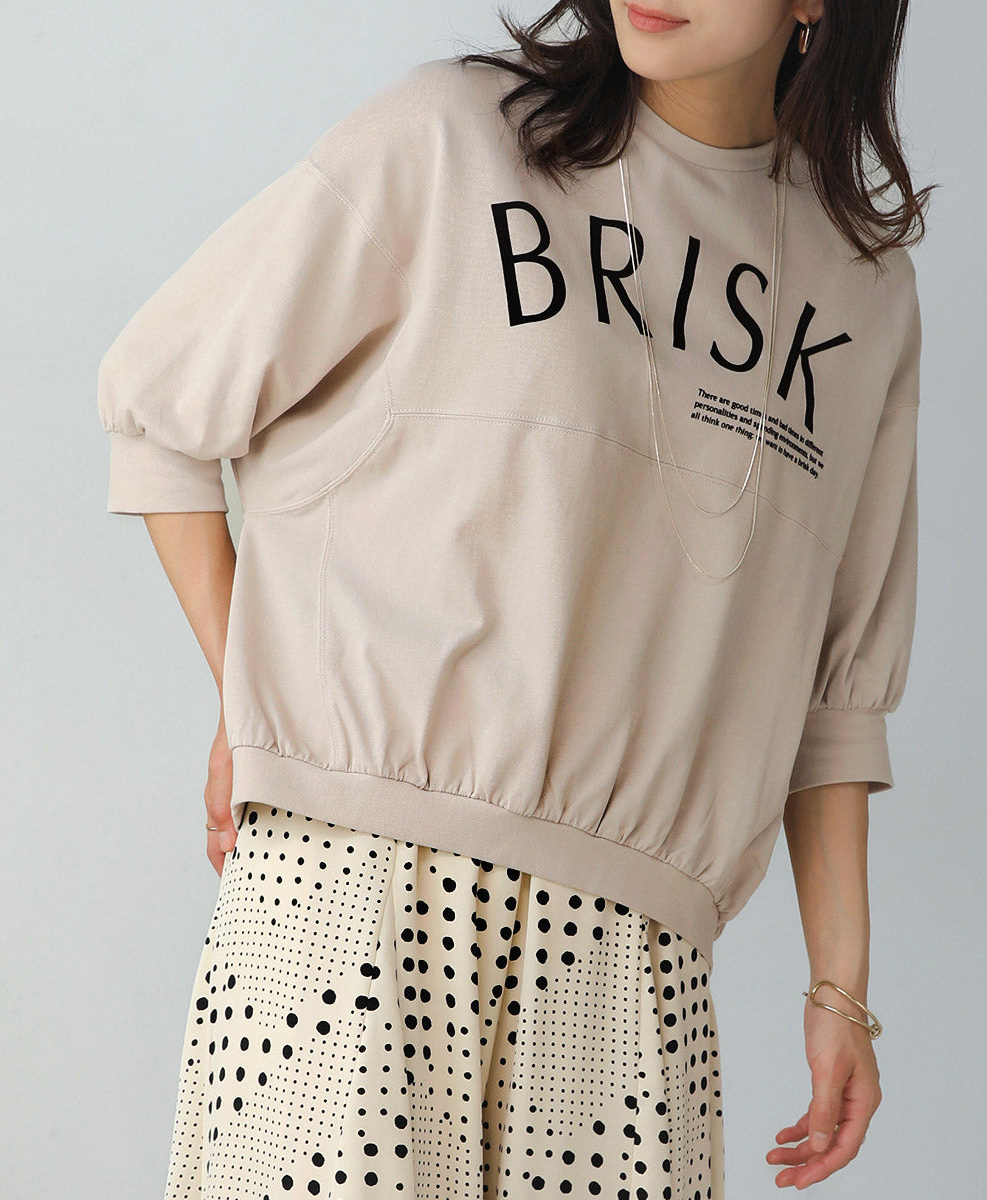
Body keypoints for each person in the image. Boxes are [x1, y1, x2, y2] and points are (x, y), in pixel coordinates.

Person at [97, 1, 933, 1196]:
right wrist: (249, 693)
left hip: (631, 972)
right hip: (352, 898)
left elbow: (835, 687)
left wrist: (839, 989)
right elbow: (162, 407)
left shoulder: (862, 295)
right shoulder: (452, 140)